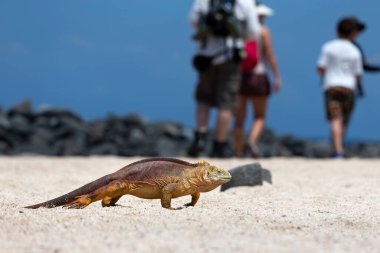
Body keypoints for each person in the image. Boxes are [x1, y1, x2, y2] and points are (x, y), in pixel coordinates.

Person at [187, 0, 260, 158]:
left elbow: (192, 22)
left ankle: (200, 137)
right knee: (226, 103)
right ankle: (219, 144)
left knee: (203, 98)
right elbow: (253, 32)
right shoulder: (245, 3)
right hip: (230, 56)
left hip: (205, 55)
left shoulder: (203, 1)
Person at [233, 2, 281, 158]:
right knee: (259, 116)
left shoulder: (238, 31)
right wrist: (276, 76)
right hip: (258, 75)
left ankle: (238, 152)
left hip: (240, 76)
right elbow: (269, 54)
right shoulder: (263, 31)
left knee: (239, 119)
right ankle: (252, 141)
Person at [317, 17, 363, 159]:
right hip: (348, 87)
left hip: (331, 86)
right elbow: (358, 75)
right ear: (353, 33)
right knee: (344, 120)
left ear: (337, 30)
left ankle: (337, 151)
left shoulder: (328, 47)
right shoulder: (355, 50)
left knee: (335, 119)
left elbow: (320, 68)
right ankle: (339, 147)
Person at [348, 17, 380, 97]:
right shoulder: (353, 47)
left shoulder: (355, 47)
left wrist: (360, 88)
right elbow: (362, 66)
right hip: (341, 87)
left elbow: (361, 67)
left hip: (349, 88)